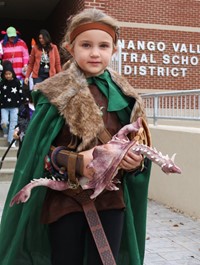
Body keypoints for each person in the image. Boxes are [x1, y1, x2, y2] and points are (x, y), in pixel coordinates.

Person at [0, 8, 152, 265]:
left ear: (113, 50)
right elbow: (37, 153)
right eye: (86, 45)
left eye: (103, 45)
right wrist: (75, 162)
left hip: (111, 201)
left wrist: (136, 163)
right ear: (70, 47)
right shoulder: (54, 93)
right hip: (65, 201)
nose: (95, 52)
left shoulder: (127, 97)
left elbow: (140, 147)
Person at [0, 60, 25, 147]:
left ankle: (12, 141)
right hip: (4, 106)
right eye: (6, 74)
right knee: (4, 122)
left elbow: (21, 92)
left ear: (12, 73)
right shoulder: (2, 83)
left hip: (15, 106)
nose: (8, 76)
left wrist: (23, 100)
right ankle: (5, 132)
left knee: (13, 123)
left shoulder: (17, 82)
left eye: (9, 74)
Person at [13, 89, 35, 156]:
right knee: (22, 152)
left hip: (36, 133)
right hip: (25, 132)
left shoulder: (40, 108)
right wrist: (17, 129)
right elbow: (20, 120)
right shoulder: (25, 107)